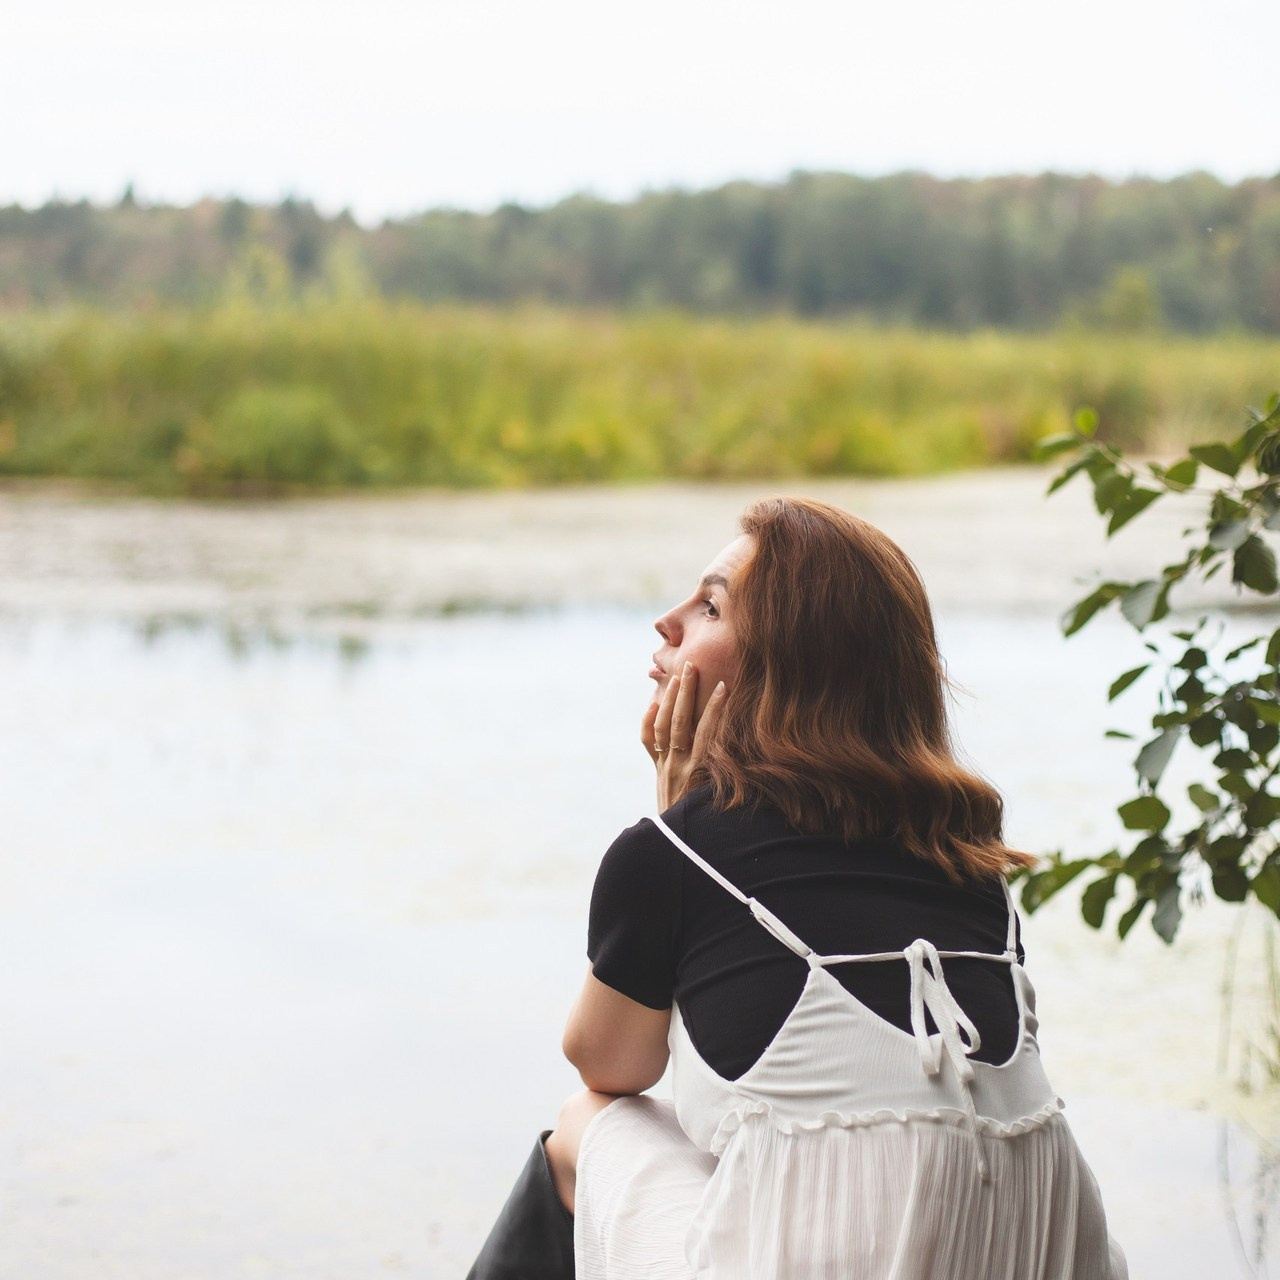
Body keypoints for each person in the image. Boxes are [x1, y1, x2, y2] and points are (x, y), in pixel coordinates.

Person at [467, 497, 1127, 1280]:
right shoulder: (963, 855)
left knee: (585, 1127)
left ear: (787, 665)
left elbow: (607, 1063)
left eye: (709, 605)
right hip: (1044, 1256)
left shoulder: (668, 854)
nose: (666, 622)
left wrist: (681, 827)